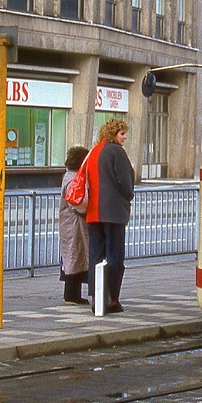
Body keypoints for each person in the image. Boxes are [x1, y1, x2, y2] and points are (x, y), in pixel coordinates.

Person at [85, 118, 135, 315]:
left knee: (96, 257)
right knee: (115, 256)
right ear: (114, 134)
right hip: (113, 212)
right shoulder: (116, 152)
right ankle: (113, 299)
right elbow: (126, 181)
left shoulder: (95, 151)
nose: (124, 138)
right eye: (122, 134)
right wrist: (128, 196)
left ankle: (96, 299)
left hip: (93, 213)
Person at [59, 145, 90, 305]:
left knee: (73, 256)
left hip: (69, 223)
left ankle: (72, 294)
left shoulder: (68, 176)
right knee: (74, 255)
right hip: (74, 223)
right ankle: (71, 295)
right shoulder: (74, 179)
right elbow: (79, 203)